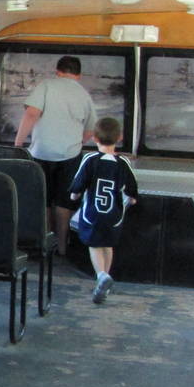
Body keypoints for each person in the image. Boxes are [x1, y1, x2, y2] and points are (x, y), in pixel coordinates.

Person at [12, 55, 97, 251]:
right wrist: (77, 142)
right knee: (63, 202)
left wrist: (18, 143)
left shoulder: (46, 86)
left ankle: (44, 244)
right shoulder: (84, 95)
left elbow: (32, 113)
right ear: (79, 75)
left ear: (57, 72)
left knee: (43, 199)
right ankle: (62, 247)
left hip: (41, 152)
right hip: (70, 154)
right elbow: (90, 130)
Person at [68, 116, 138, 305]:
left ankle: (101, 275)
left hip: (92, 213)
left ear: (95, 138)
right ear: (120, 137)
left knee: (94, 245)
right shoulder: (123, 163)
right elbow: (132, 189)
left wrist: (74, 195)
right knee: (107, 245)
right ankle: (104, 283)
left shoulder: (90, 159)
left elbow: (78, 184)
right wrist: (131, 199)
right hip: (114, 215)